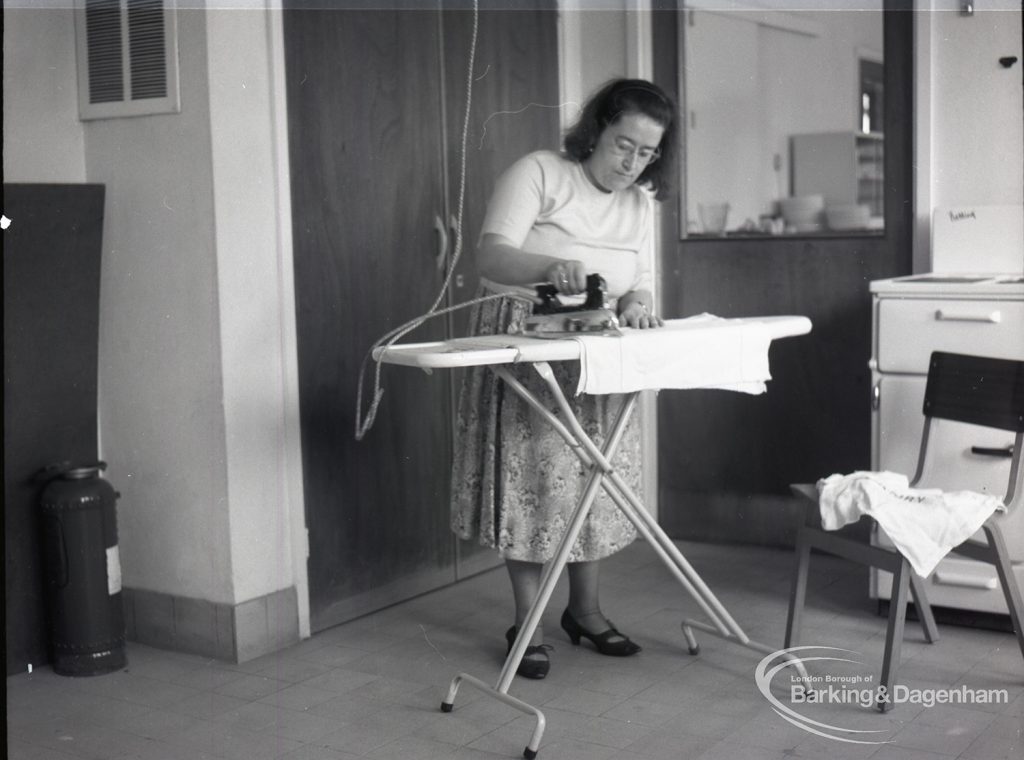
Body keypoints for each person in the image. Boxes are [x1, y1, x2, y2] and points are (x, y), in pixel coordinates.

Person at [451, 78, 678, 679]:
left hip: (599, 351)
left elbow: (641, 279)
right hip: (529, 340)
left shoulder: (639, 204)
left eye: (646, 153)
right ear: (596, 129)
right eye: (622, 145)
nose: (631, 163)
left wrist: (637, 303)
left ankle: (586, 612)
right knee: (533, 483)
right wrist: (551, 266)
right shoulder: (541, 173)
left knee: (593, 481)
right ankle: (527, 625)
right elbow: (490, 254)